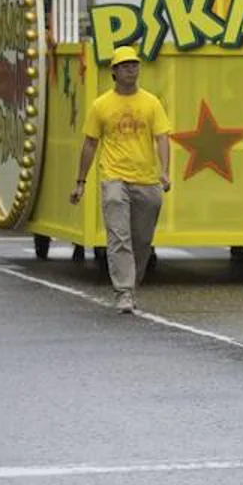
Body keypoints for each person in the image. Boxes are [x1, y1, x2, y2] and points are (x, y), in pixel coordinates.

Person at [70, 46, 171, 313]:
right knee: (119, 236)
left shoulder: (151, 103)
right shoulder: (101, 105)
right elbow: (90, 143)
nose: (131, 69)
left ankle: (131, 284)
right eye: (125, 65)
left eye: (134, 65)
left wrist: (164, 170)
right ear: (114, 71)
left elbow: (162, 137)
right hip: (114, 176)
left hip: (147, 180)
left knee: (142, 239)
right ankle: (124, 291)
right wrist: (80, 181)